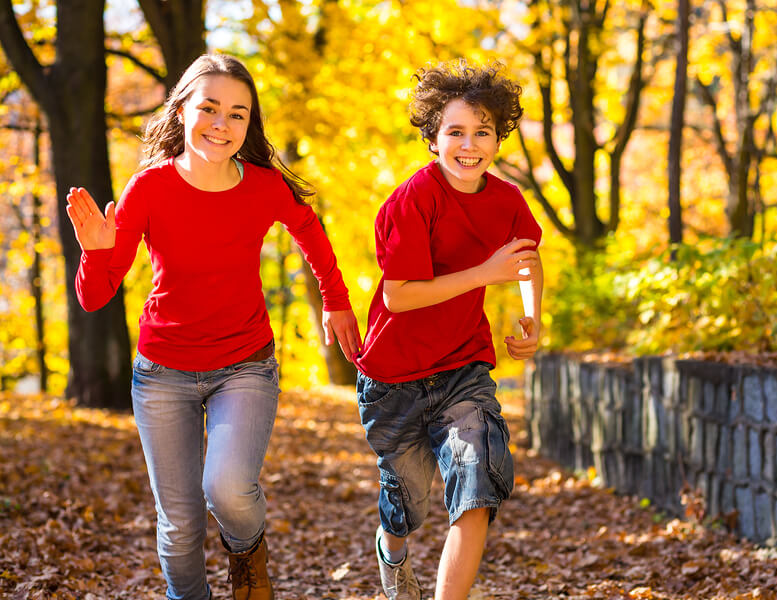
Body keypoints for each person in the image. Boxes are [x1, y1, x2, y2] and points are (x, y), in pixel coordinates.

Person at [65, 53, 361, 600]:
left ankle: (248, 557)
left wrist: (336, 301)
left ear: (250, 125)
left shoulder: (264, 186)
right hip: (162, 376)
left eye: (237, 114)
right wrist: (95, 253)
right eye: (209, 108)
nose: (222, 124)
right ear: (181, 111)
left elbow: (310, 230)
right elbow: (94, 296)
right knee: (179, 529)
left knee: (226, 488)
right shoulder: (148, 188)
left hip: (244, 365)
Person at [354, 59, 543, 600]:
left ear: (499, 138)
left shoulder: (507, 201)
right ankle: (392, 552)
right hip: (394, 377)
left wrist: (533, 315)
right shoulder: (414, 199)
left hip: (463, 367)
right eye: (455, 131)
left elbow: (527, 259)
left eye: (482, 131)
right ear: (433, 138)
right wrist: (485, 275)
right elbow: (400, 295)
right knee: (407, 502)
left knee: (478, 482)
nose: (469, 143)